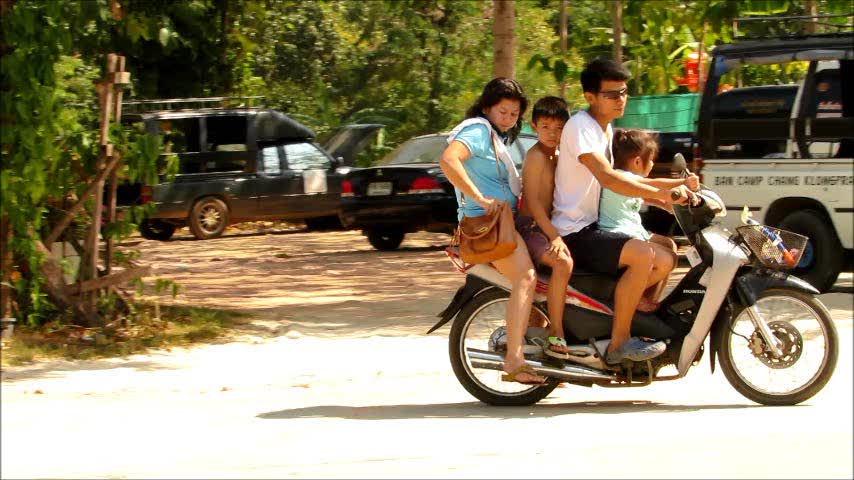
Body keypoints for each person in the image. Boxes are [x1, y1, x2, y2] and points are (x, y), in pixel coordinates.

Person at [552, 58, 696, 365]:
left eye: (623, 92)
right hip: (575, 230)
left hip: (595, 227)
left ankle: (632, 314)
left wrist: (676, 186)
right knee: (644, 255)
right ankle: (619, 343)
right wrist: (663, 192)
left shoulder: (604, 129)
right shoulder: (581, 127)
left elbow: (632, 179)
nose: (620, 100)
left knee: (666, 250)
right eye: (611, 94)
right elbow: (609, 178)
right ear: (590, 97)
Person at [440, 78, 546, 385]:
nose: (509, 118)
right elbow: (448, 160)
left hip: (505, 224)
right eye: (503, 111)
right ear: (487, 108)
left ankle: (543, 355)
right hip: (489, 229)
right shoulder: (476, 130)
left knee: (539, 280)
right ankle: (514, 361)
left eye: (514, 113)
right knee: (526, 278)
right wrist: (479, 197)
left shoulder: (494, 137)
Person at [600, 128, 698, 310]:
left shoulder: (627, 180)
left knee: (669, 245)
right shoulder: (623, 177)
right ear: (637, 161)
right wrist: (682, 183)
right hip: (617, 234)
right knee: (665, 261)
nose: (652, 164)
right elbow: (652, 185)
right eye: (651, 160)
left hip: (633, 231)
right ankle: (628, 294)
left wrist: (663, 204)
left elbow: (640, 195)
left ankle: (647, 298)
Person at [516, 96, 574, 360]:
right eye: (546, 127)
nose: (552, 133)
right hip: (531, 226)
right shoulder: (536, 156)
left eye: (559, 128)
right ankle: (556, 332)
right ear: (533, 127)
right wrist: (554, 235)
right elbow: (532, 202)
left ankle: (541, 357)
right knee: (562, 263)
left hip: (547, 226)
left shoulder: (559, 155)